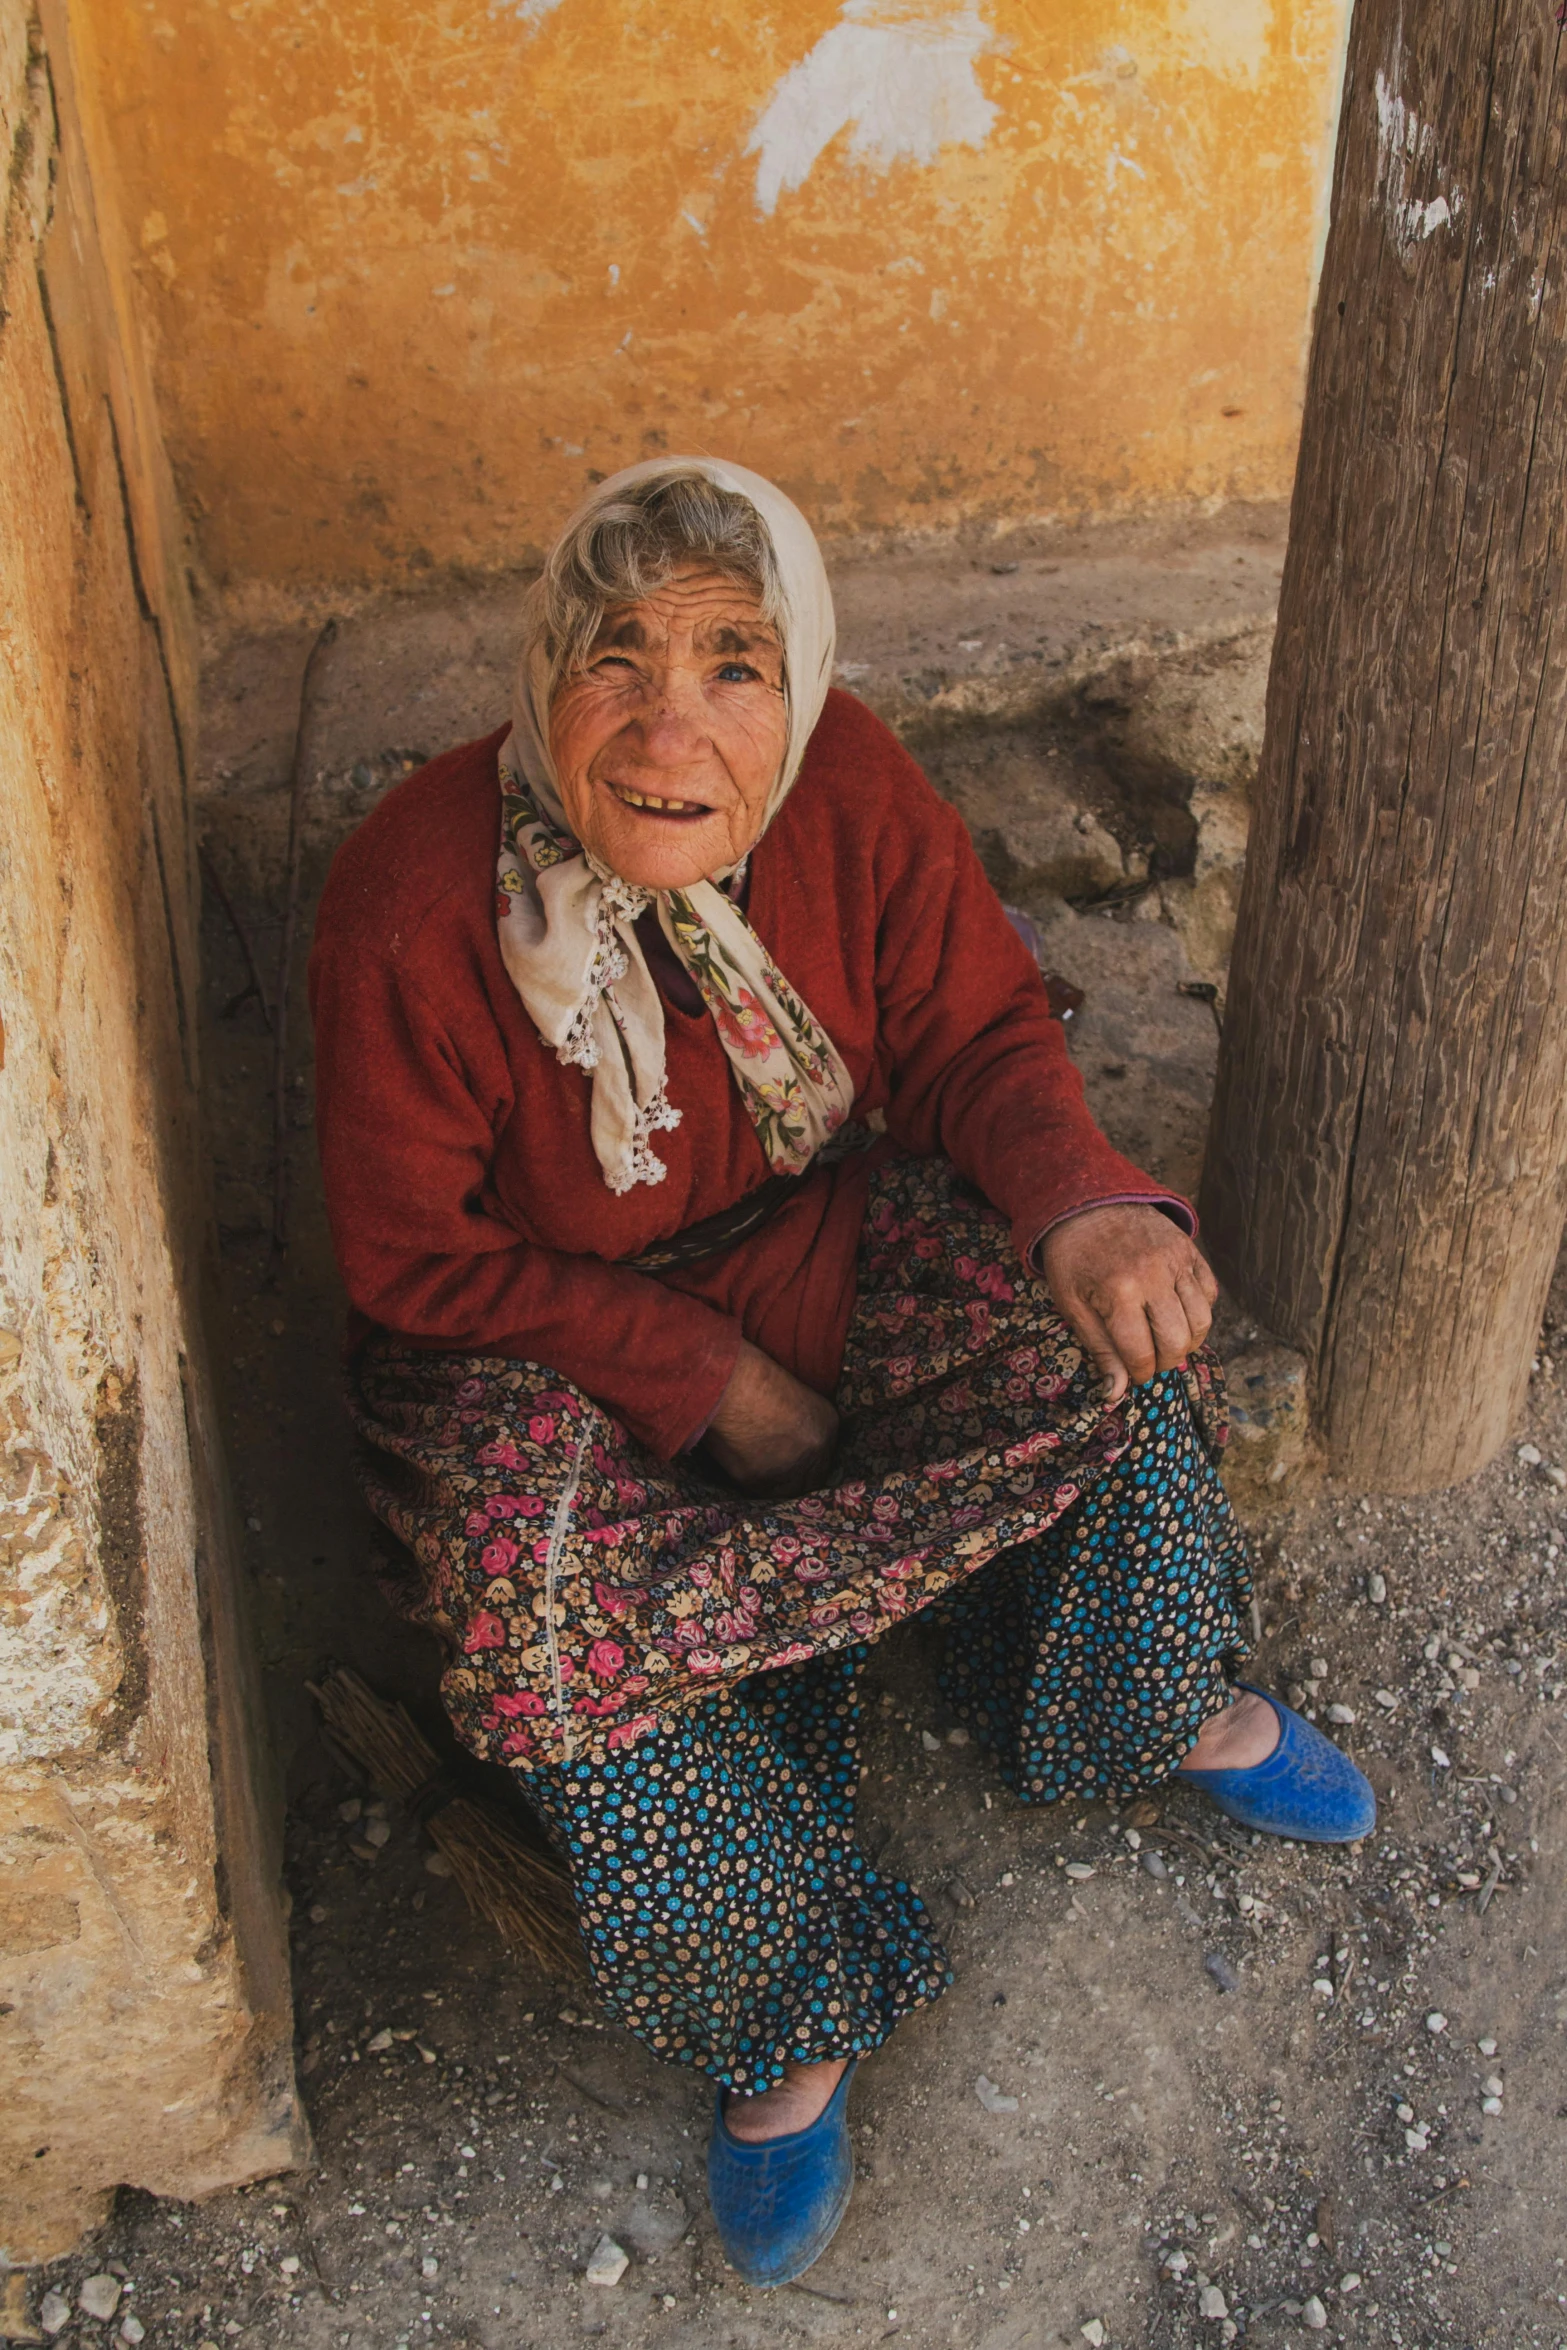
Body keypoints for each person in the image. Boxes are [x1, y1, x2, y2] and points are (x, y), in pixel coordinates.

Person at [309, 458, 1373, 2289]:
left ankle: (1138, 1700)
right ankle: (782, 2004)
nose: (671, 723)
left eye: (734, 659)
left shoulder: (850, 790)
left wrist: (1075, 1208)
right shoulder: (414, 902)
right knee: (532, 1611)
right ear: (537, 667)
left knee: (1103, 1346)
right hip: (540, 1327)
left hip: (826, 1216)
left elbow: (969, 1030)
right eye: (615, 655)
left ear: (796, 682)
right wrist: (701, 1371)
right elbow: (414, 1256)